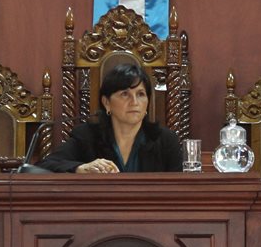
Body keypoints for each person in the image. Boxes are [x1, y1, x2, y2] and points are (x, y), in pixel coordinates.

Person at [38, 62, 180, 173]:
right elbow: (45, 166)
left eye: (141, 94)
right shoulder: (87, 137)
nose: (135, 102)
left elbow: (180, 188)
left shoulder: (165, 140)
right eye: (125, 94)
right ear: (106, 103)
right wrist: (81, 168)